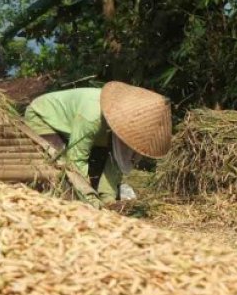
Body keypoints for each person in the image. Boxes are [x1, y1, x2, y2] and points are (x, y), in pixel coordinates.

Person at [24, 82, 172, 205]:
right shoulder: (92, 115)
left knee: (95, 175)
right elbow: (76, 158)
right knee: (60, 165)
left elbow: (116, 162)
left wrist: (109, 201)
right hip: (43, 117)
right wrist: (89, 198)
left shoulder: (122, 129)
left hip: (81, 130)